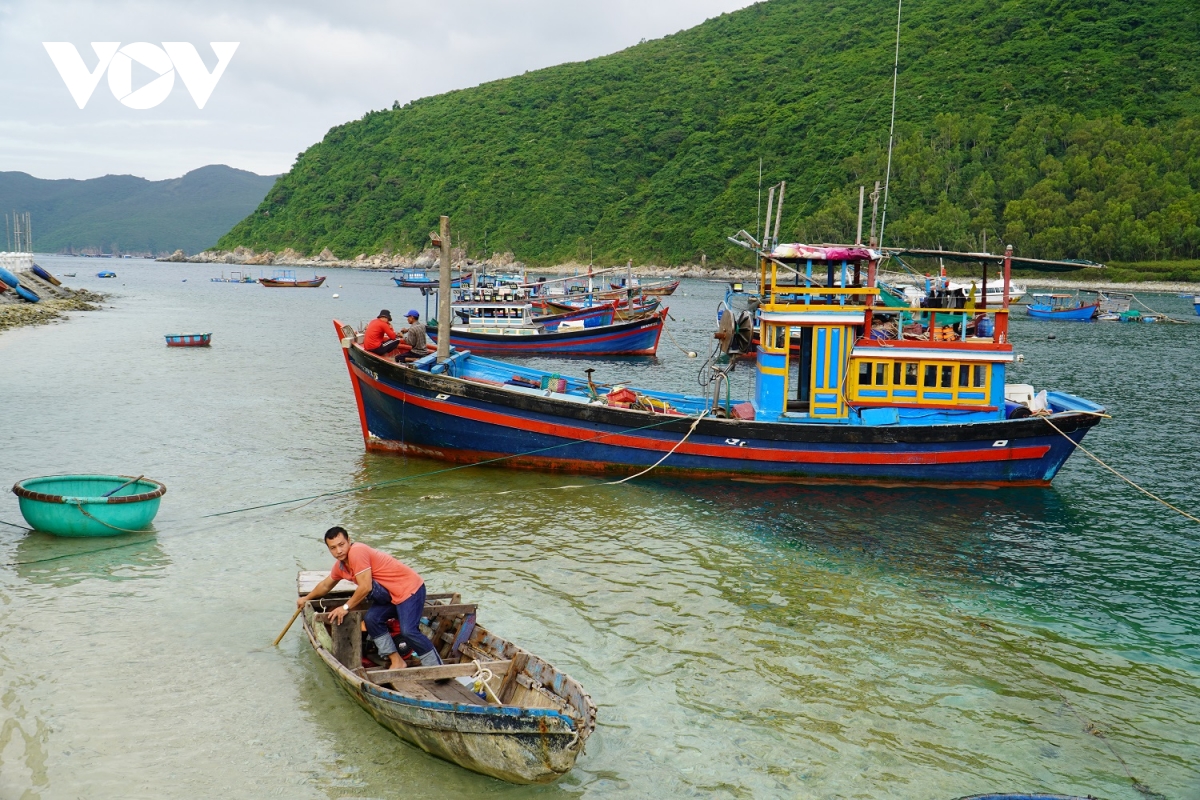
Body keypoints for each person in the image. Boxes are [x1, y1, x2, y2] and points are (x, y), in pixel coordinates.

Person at [297, 526, 442, 669]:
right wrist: (306, 598)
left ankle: (437, 669)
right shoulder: (341, 566)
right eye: (333, 548)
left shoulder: (357, 551)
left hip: (410, 589)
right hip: (391, 596)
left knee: (408, 631)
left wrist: (345, 607)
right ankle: (397, 661)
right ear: (329, 549)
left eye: (341, 544)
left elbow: (365, 587)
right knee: (372, 619)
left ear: (349, 541)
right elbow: (325, 585)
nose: (338, 550)